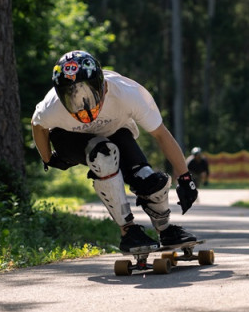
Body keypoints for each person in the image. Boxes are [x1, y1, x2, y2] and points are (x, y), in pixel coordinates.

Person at [31, 50, 199, 252]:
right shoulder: (52, 106)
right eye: (71, 97)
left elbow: (162, 134)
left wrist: (185, 178)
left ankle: (165, 229)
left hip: (114, 131)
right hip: (68, 137)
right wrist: (49, 158)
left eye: (89, 93)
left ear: (104, 85)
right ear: (59, 95)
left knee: (150, 181)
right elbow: (37, 125)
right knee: (103, 155)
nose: (83, 106)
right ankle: (128, 231)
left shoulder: (129, 94)